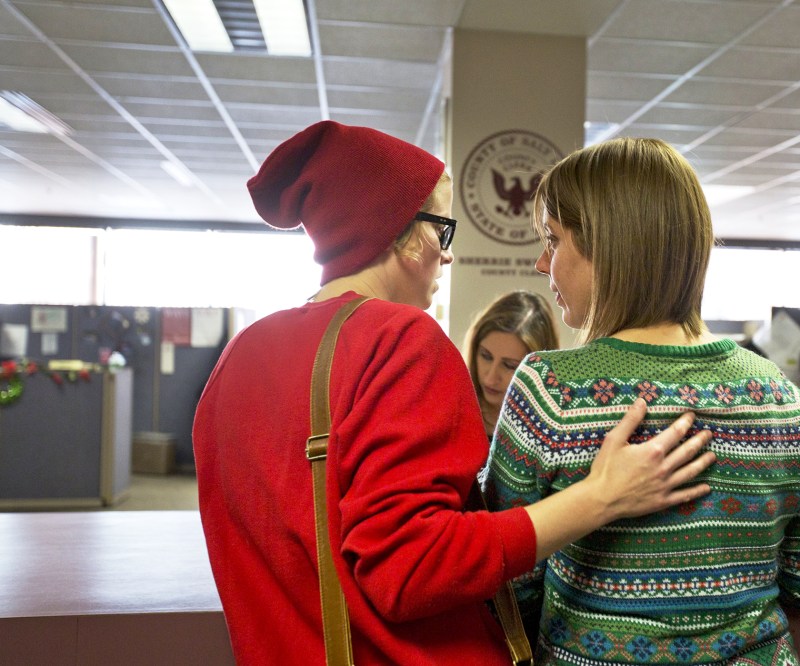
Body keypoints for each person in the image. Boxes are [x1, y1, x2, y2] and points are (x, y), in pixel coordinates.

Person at [193, 121, 718, 665]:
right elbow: (411, 569)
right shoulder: (400, 340)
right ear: (395, 231)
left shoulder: (238, 357)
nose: (447, 256)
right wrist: (599, 497)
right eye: (441, 231)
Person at [482, 137, 800, 666]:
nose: (543, 262)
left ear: (608, 247)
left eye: (554, 239)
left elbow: (502, 582)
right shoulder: (777, 393)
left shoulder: (553, 391)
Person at [465, 290, 560, 436]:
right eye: (486, 356)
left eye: (509, 365)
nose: (491, 378)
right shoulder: (452, 413)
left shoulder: (553, 429)